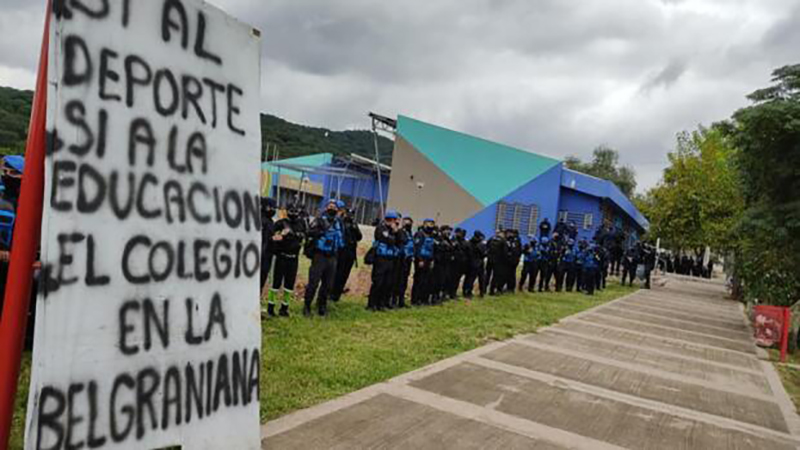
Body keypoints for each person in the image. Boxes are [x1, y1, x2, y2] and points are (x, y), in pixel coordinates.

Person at [304, 200, 344, 317]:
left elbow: (342, 238)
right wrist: (321, 232)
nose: (332, 208)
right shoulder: (319, 220)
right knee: (313, 283)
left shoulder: (339, 223)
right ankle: (307, 307)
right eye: (330, 206)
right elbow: (309, 232)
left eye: (334, 207)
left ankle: (322, 306)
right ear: (326, 208)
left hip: (332, 257)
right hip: (319, 256)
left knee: (328, 284)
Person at [268, 204, 306, 317]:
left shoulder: (301, 223)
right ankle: (271, 308)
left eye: (296, 211)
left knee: (289, 285)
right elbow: (270, 238)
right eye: (291, 211)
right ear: (286, 211)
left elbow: (305, 237)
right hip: (281, 257)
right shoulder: (280, 223)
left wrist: (301, 236)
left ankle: (284, 309)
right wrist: (281, 235)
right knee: (275, 284)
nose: (293, 213)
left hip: (294, 259)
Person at [0, 155, 24, 320]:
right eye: (5, 171)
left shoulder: (27, 198)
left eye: (13, 173)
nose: (7, 175)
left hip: (17, 255)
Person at [368, 210, 400, 311]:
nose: (394, 222)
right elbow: (389, 240)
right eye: (393, 220)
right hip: (380, 258)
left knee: (387, 283)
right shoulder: (381, 228)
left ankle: (381, 303)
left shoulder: (394, 230)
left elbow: (399, 241)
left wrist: (395, 232)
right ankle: (372, 304)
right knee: (378, 282)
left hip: (390, 258)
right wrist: (393, 233)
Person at [331, 205, 363, 303]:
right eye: (348, 214)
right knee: (337, 274)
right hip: (341, 252)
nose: (350, 216)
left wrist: (355, 228)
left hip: (351, 253)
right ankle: (331, 293)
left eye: (352, 214)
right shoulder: (340, 223)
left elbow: (359, 237)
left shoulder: (354, 224)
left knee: (345, 274)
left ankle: (337, 294)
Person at [390, 215, 414, 308]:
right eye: (405, 222)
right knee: (396, 280)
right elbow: (401, 241)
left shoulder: (410, 234)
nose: (407, 224)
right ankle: (393, 300)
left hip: (408, 259)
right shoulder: (400, 232)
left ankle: (401, 300)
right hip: (399, 258)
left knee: (404, 280)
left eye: (409, 222)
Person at [411, 218, 436, 305]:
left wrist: (432, 260)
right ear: (424, 224)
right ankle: (415, 299)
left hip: (429, 259)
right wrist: (420, 259)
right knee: (419, 279)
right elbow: (417, 248)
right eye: (429, 223)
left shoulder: (432, 235)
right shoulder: (419, 234)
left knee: (426, 280)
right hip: (421, 259)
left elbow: (432, 249)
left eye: (432, 224)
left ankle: (423, 299)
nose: (431, 225)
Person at [260, 197, 278, 294]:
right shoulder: (258, 219)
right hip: (259, 257)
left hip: (266, 257)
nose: (273, 210)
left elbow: (270, 240)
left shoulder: (271, 222)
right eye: (271, 207)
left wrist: (275, 240)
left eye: (275, 208)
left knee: (261, 281)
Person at [463, 230, 487, 298]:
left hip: (471, 263)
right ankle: (482, 293)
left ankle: (467, 292)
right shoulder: (480, 244)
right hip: (479, 263)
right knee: (481, 279)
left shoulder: (469, 243)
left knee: (470, 279)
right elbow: (484, 254)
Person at [488, 228, 507, 295]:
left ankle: (484, 289)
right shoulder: (503, 241)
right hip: (498, 261)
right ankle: (492, 291)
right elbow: (505, 252)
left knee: (487, 275)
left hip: (490, 260)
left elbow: (487, 247)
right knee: (495, 276)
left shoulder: (491, 238)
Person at [451, 228, 470, 298]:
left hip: (461, 264)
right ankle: (451, 293)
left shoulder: (465, 242)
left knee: (457, 279)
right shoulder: (453, 240)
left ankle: (453, 293)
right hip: (454, 263)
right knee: (453, 279)